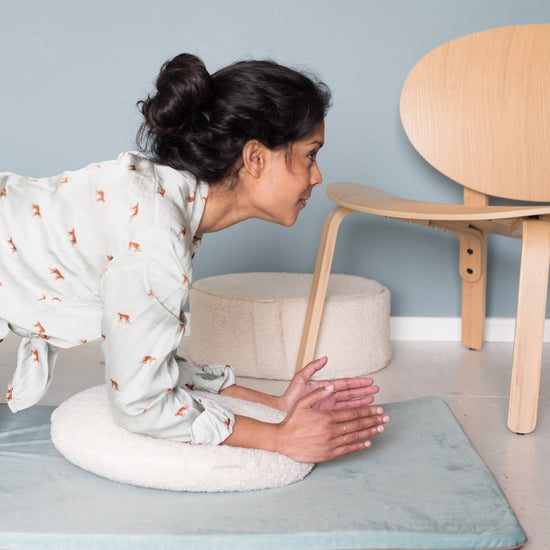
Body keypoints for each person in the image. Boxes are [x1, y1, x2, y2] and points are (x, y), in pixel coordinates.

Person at [0, 53, 390, 464]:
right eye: (311, 155)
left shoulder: (165, 202)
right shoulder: (157, 239)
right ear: (255, 158)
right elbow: (140, 404)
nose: (317, 176)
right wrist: (279, 438)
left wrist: (274, 404)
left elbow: (150, 359)